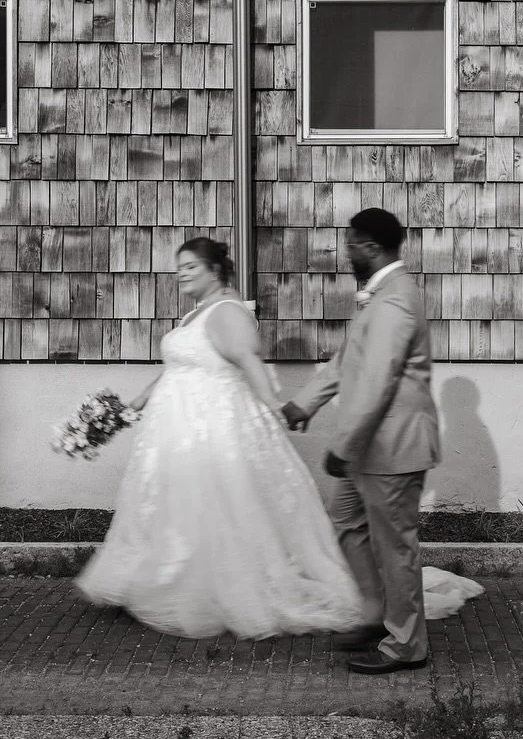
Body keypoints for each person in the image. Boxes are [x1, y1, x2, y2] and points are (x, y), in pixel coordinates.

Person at [74, 237, 365, 639]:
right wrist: (132, 406)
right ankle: (170, 580)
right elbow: (176, 368)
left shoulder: (229, 312)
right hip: (174, 432)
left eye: (191, 266)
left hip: (211, 430)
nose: (182, 274)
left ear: (215, 270)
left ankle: (219, 590)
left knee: (215, 507)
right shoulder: (197, 314)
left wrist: (275, 408)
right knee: (173, 506)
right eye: (180, 267)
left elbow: (251, 363)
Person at [280, 207, 480, 675]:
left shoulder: (393, 301)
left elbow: (377, 381)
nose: (345, 252)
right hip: (371, 448)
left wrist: (343, 446)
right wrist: (303, 404)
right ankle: (375, 614)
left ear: (369, 247)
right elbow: (347, 363)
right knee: (347, 522)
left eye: (349, 243)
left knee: (396, 548)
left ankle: (406, 646)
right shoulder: (379, 296)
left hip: (390, 449)